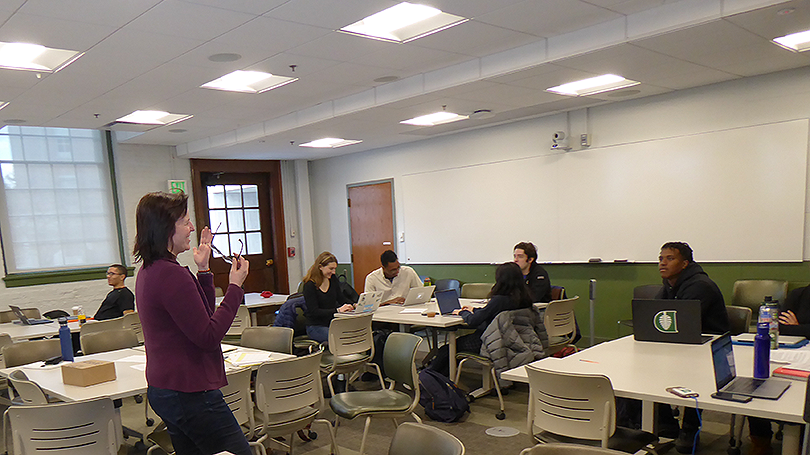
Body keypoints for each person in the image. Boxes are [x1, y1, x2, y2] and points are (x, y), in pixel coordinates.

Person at [134, 191, 252, 455]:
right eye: (185, 222)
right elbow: (209, 336)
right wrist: (235, 287)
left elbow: (200, 318)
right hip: (189, 393)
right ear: (166, 228)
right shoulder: (171, 275)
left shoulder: (151, 270)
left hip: (167, 388)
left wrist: (204, 271)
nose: (191, 228)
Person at [655, 241, 730, 453]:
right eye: (661, 258)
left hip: (710, 348)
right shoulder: (670, 284)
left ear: (685, 263)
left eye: (670, 259)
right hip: (686, 343)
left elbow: (681, 320)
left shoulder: (700, 286)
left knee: (686, 368)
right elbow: (654, 313)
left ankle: (689, 425)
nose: (663, 263)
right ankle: (665, 424)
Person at [429, 262, 533, 377]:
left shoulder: (500, 299)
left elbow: (474, 321)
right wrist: (474, 309)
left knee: (447, 349)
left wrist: (462, 312)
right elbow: (490, 313)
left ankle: (429, 377)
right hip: (513, 340)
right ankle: (441, 378)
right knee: (452, 350)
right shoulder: (524, 299)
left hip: (489, 341)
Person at [302, 251, 355, 343]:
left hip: (332, 323)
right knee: (339, 338)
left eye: (335, 269)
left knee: (353, 334)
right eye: (331, 269)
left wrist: (354, 304)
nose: (333, 272)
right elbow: (314, 311)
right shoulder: (309, 285)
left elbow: (341, 298)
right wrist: (337, 310)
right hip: (315, 326)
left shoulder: (333, 280)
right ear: (320, 267)